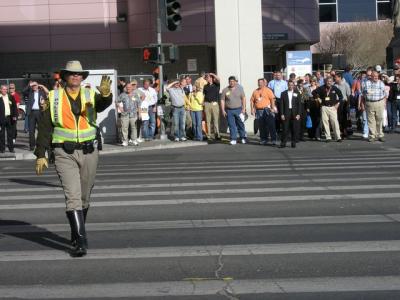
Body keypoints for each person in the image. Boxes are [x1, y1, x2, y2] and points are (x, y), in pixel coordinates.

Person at [34, 61, 113, 257]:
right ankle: (80, 241)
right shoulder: (53, 97)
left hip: (89, 151)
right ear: (65, 77)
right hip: (63, 152)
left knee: (85, 197)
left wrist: (105, 95)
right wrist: (40, 154)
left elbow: (102, 106)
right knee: (73, 197)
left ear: (82, 77)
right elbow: (45, 127)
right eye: (72, 74)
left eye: (79, 74)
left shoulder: (89, 94)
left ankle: (75, 231)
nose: (76, 77)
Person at [312, 76, 343, 142]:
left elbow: (341, 96)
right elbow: (314, 92)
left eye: (330, 81)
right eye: (328, 81)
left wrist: (337, 104)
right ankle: (328, 137)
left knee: (335, 122)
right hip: (324, 107)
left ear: (332, 82)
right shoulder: (322, 87)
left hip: (332, 107)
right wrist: (317, 98)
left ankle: (338, 137)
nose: (329, 82)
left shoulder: (334, 88)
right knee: (325, 122)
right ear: (325, 82)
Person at [220, 76, 247, 145]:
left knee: (240, 124)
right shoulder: (225, 90)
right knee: (231, 125)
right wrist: (223, 110)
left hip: (239, 109)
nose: (231, 83)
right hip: (229, 111)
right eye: (230, 81)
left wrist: (243, 109)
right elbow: (222, 100)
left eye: (232, 81)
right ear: (228, 82)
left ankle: (243, 137)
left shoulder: (240, 89)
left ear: (235, 82)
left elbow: (243, 98)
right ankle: (233, 139)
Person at [362, 71, 387, 142]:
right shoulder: (366, 83)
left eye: (377, 76)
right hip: (369, 103)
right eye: (374, 76)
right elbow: (363, 94)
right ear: (371, 76)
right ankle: (372, 136)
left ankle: (380, 135)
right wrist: (363, 103)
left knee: (379, 119)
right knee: (371, 121)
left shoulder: (381, 83)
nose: (376, 77)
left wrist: (384, 103)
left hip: (379, 102)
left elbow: (385, 94)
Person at [250, 78, 276, 145]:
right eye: (258, 83)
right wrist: (252, 109)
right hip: (259, 111)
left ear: (264, 83)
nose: (259, 84)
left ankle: (273, 140)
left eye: (261, 83)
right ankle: (263, 139)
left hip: (267, 110)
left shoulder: (268, 90)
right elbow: (252, 101)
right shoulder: (255, 91)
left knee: (271, 125)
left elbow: (272, 99)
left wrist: (272, 108)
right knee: (261, 126)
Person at [117, 81, 142, 146]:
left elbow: (139, 104)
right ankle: (125, 141)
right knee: (124, 128)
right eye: (127, 87)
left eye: (129, 87)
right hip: (125, 114)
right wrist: (120, 108)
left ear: (132, 88)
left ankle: (134, 140)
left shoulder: (135, 95)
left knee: (134, 127)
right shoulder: (122, 95)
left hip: (133, 114)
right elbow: (116, 101)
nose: (128, 88)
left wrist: (139, 114)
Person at [26, 81, 48, 151]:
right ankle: (32, 146)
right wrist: (30, 84)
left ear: (38, 86)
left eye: (35, 85)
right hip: (31, 113)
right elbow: (23, 91)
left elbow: (48, 93)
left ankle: (41, 145)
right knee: (31, 131)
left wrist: (42, 85)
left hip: (40, 112)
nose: (34, 87)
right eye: (33, 86)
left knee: (41, 130)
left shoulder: (42, 92)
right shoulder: (30, 92)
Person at [279, 80, 301, 148]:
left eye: (292, 85)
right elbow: (281, 105)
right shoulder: (283, 93)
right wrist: (282, 114)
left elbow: (299, 104)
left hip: (294, 112)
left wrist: (299, 114)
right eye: (289, 85)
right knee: (285, 128)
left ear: (294, 86)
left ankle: (293, 142)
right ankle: (283, 143)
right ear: (287, 85)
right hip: (286, 112)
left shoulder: (297, 93)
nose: (290, 86)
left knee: (294, 129)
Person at [203, 73, 221, 140]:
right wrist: (203, 103)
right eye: (207, 78)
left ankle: (217, 134)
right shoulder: (205, 86)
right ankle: (209, 135)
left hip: (214, 104)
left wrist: (212, 74)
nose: (208, 79)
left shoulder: (216, 85)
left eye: (209, 77)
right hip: (207, 104)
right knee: (208, 120)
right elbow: (204, 95)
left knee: (215, 120)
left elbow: (218, 79)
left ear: (212, 78)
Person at [0, 85, 17, 153]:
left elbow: (14, 106)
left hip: (9, 118)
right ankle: (2, 149)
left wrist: (15, 115)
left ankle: (11, 148)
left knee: (10, 134)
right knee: (1, 134)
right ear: (0, 90)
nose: (5, 91)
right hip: (1, 118)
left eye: (6, 89)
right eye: (3, 89)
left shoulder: (10, 97)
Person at [334, 73, 351, 138]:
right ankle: (338, 132)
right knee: (337, 118)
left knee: (343, 118)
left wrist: (348, 105)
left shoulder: (346, 85)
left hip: (344, 103)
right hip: (336, 103)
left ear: (340, 77)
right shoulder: (334, 85)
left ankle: (344, 131)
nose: (334, 78)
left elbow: (348, 95)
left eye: (336, 77)